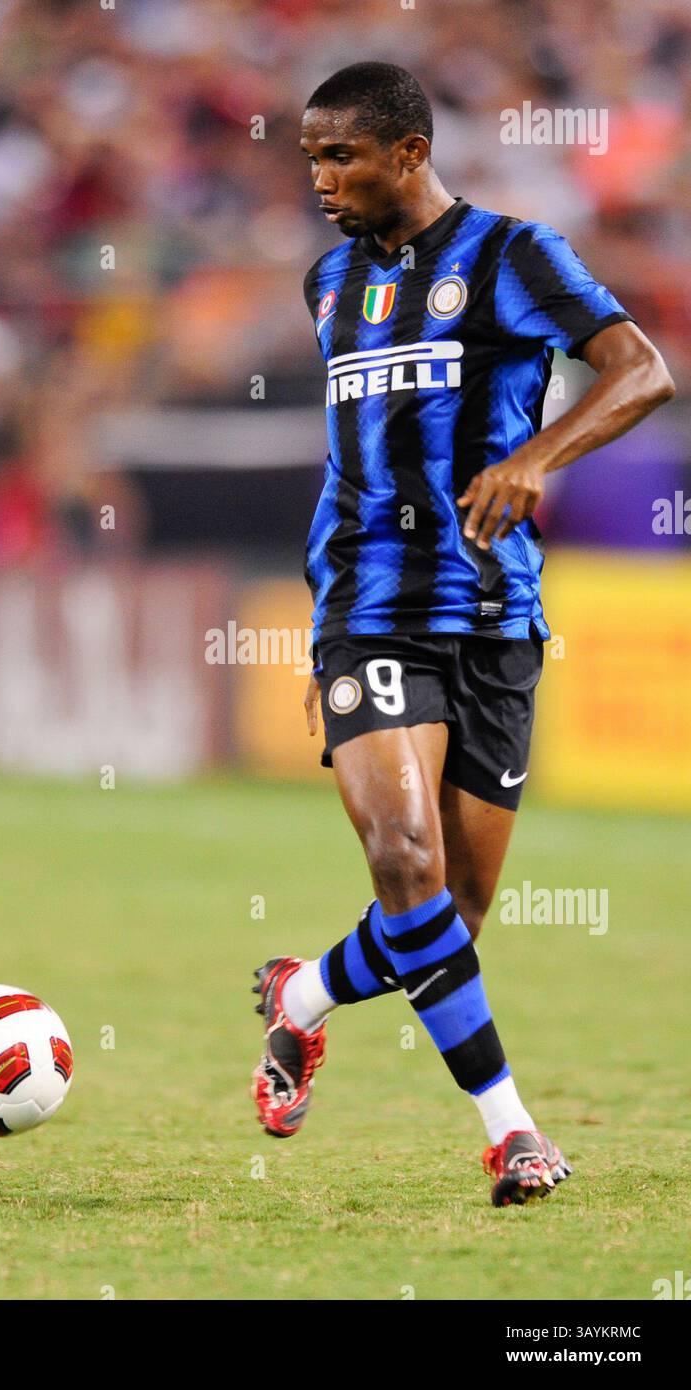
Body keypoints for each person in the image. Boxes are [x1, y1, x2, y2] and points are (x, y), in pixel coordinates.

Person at [250, 62, 674, 1206]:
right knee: (406, 863)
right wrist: (321, 639)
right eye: (311, 159)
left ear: (409, 149)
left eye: (342, 156)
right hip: (368, 614)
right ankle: (513, 1132)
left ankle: (301, 1000)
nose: (323, 180)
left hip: (492, 616)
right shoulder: (327, 283)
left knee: (454, 914)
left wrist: (536, 458)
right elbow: (346, 467)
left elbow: (645, 373)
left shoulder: (516, 256)